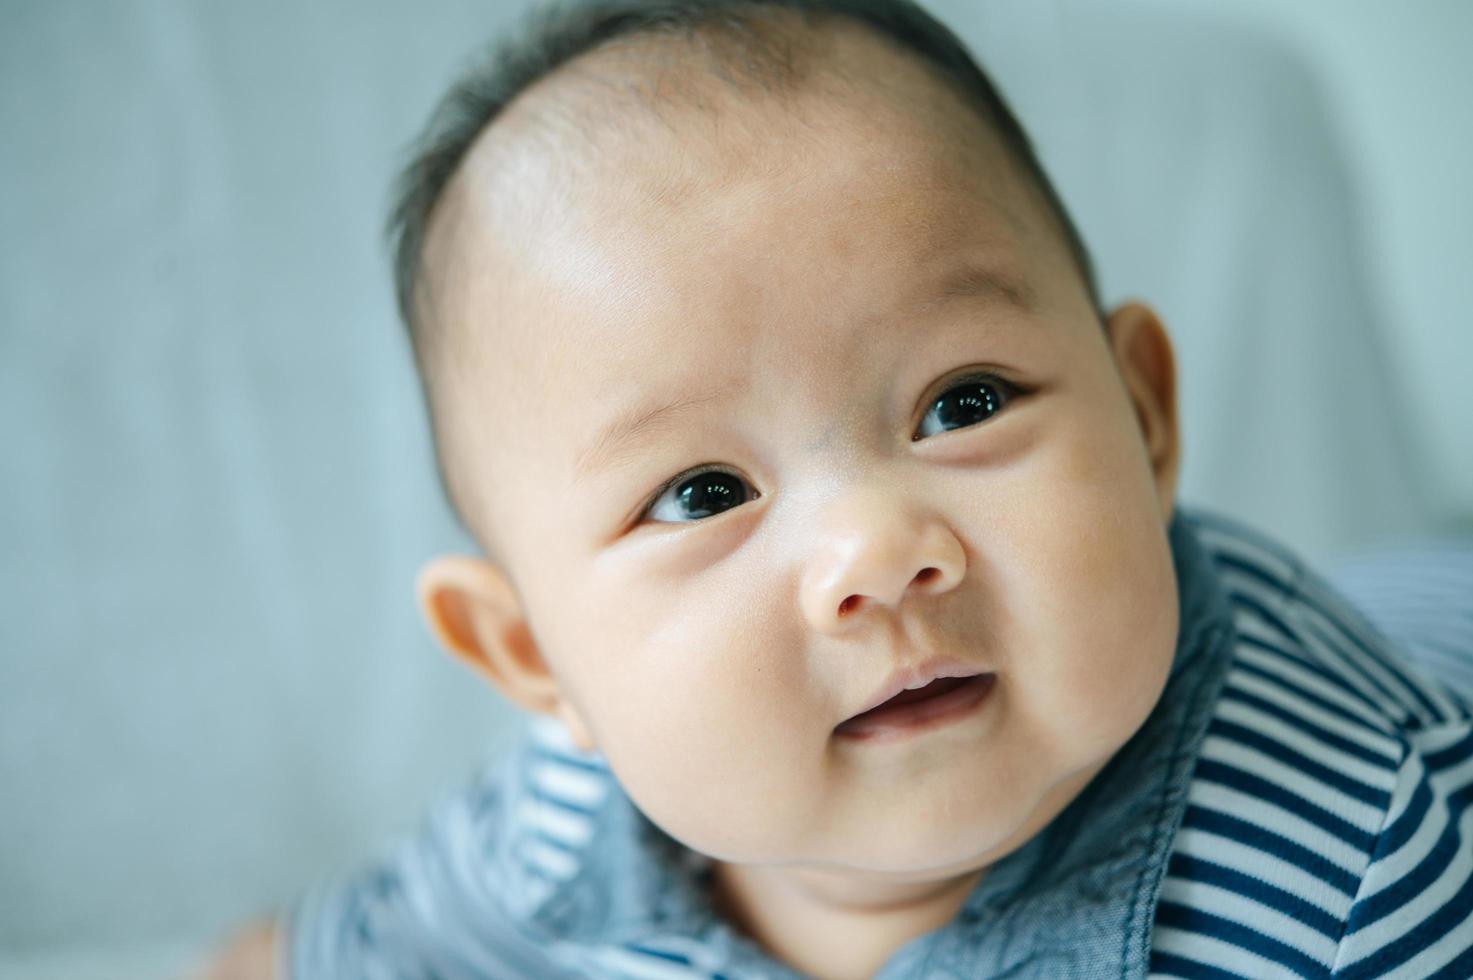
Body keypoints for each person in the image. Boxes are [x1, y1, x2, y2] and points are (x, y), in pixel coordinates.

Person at [198, 1, 1473, 976]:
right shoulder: (565, 825)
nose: (874, 547)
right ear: (538, 656)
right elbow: (321, 948)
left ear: (1143, 418)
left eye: (962, 403)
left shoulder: (1351, 857)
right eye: (701, 492)